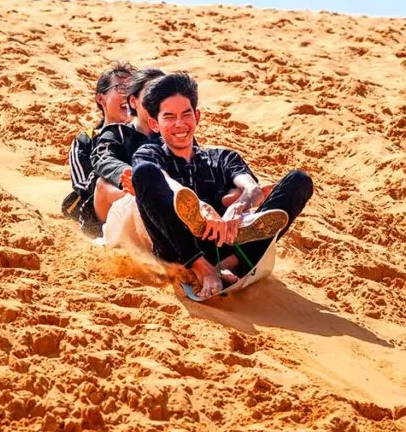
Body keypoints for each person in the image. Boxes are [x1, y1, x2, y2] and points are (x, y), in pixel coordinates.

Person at [130, 73, 313, 300]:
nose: (180, 124)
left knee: (299, 180)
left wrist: (238, 207)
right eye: (169, 117)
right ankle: (201, 267)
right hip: (178, 248)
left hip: (226, 243)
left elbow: (251, 188)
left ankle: (230, 261)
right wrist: (199, 206)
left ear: (197, 116)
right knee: (145, 174)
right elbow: (161, 178)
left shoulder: (222, 157)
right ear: (154, 124)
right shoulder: (149, 153)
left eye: (186, 114)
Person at [62, 62, 134, 236]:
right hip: (102, 215)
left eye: (134, 88)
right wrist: (125, 183)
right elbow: (82, 185)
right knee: (103, 184)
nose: (130, 94)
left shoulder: (148, 134)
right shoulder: (87, 140)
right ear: (101, 99)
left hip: (142, 207)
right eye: (121, 87)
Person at [90, 67, 166, 223]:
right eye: (151, 94)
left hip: (168, 202)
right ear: (134, 101)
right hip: (123, 211)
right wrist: (132, 176)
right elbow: (101, 156)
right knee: (103, 184)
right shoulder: (117, 133)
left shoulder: (172, 133)